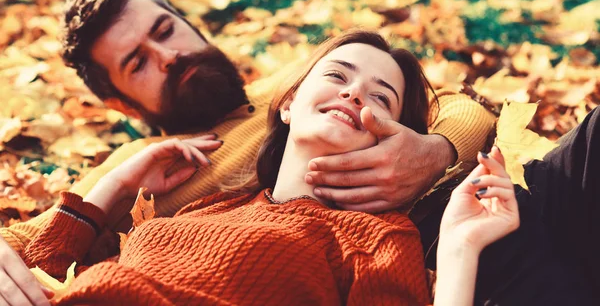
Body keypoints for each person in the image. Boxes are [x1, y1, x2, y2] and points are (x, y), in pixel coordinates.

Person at [12, 31, 519, 305]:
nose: (354, 91)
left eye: (380, 96)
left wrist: (458, 248)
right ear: (289, 101)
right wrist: (116, 183)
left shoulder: (373, 238)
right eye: (338, 74)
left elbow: (462, 106)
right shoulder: (207, 204)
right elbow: (37, 270)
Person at [1, 0, 493, 249]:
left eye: (166, 31)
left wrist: (435, 150)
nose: (169, 56)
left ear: (187, 22)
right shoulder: (139, 162)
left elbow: (458, 107)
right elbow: (26, 238)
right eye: (138, 63)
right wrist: (118, 192)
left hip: (443, 221)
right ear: (119, 103)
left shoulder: (292, 90)